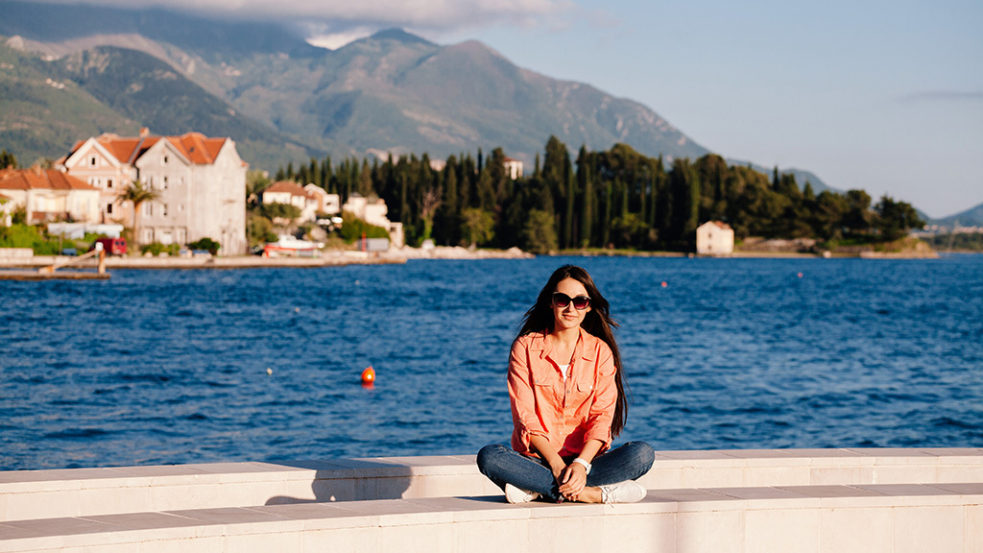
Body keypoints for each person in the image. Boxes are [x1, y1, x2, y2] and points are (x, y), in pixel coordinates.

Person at [477, 265, 654, 504]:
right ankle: (592, 494)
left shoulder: (600, 352)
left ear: (588, 306)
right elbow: (525, 417)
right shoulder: (525, 347)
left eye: (580, 301)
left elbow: (602, 418)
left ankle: (538, 489)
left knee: (642, 454)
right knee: (489, 457)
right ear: (551, 302)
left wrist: (580, 465)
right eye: (562, 299)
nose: (571, 308)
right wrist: (557, 465)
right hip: (539, 460)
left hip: (587, 462)